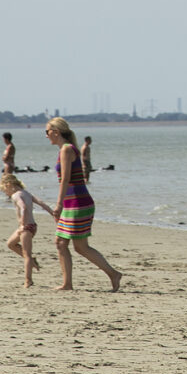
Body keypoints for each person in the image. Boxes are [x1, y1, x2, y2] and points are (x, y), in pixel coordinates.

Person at [44, 117, 123, 291]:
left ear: (56, 131)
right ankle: (71, 282)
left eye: (47, 131)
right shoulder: (67, 149)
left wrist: (58, 205)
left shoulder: (66, 150)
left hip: (77, 203)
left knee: (69, 244)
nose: (46, 135)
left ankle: (111, 274)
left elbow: (65, 179)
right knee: (73, 245)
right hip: (75, 202)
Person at [0, 172, 51, 284]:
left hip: (26, 227)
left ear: (8, 185)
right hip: (31, 226)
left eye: (4, 191)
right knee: (10, 244)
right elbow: (41, 203)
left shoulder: (16, 195)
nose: (6, 193)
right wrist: (52, 213)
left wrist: (22, 223)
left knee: (27, 254)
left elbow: (24, 207)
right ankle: (32, 261)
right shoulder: (26, 193)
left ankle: (28, 280)